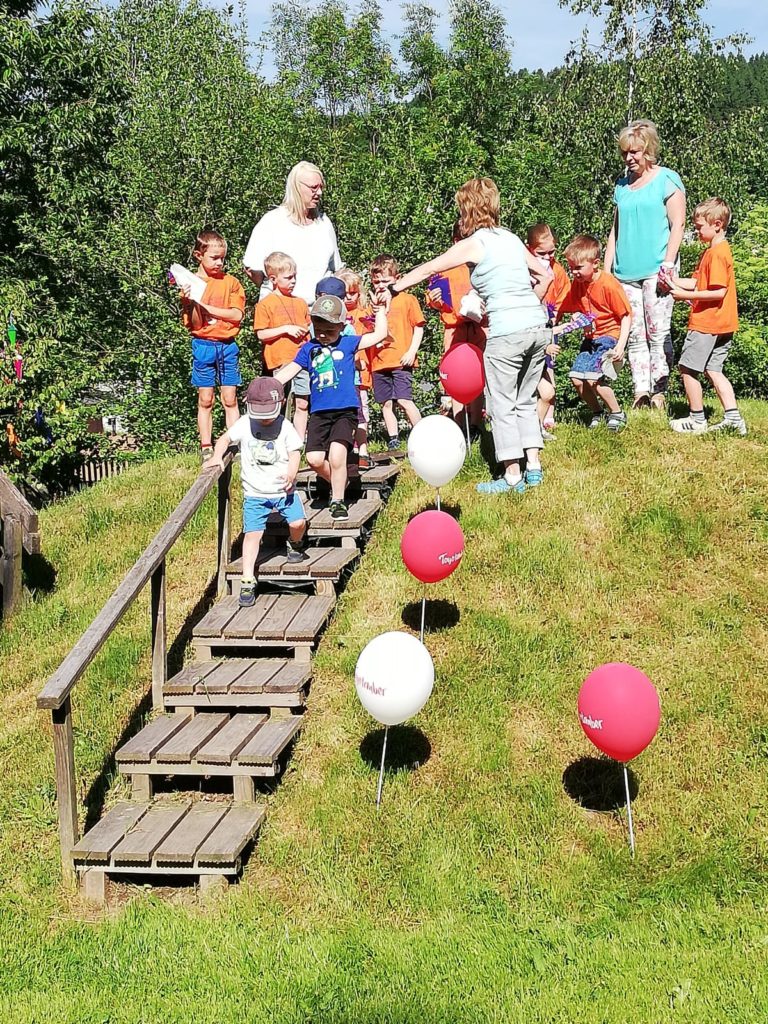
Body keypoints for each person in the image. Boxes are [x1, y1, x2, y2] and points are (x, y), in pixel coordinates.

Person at [389, 178, 550, 494]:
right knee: (525, 399)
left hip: (507, 332)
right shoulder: (511, 238)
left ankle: (512, 475)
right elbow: (544, 275)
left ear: (468, 211)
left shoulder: (474, 243)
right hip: (536, 327)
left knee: (503, 403)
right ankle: (534, 467)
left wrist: (395, 287)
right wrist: (528, 302)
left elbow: (427, 269)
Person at [275, 294, 388, 521]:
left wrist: (381, 312)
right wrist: (269, 386)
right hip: (319, 413)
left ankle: (337, 501)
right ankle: (340, 479)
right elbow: (290, 371)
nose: (324, 335)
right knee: (315, 459)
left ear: (341, 326)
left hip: (345, 411)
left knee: (337, 456)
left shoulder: (348, 343)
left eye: (330, 329)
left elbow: (380, 335)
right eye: (319, 329)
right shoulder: (309, 349)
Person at [204, 377, 307, 608]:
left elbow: (295, 453)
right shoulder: (244, 422)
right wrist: (216, 456)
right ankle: (247, 579)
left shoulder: (286, 427)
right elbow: (225, 438)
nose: (265, 419)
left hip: (284, 491)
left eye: (268, 413)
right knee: (252, 536)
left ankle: (295, 543)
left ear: (280, 403)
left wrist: (292, 474)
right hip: (255, 494)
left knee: (299, 523)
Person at [604, 119, 686, 410]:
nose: (629, 158)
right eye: (626, 153)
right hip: (625, 273)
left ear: (649, 150)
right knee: (635, 333)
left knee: (658, 331)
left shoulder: (667, 179)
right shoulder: (622, 185)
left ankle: (659, 391)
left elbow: (678, 224)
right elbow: (615, 230)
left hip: (657, 269)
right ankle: (640, 392)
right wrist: (606, 271)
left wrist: (668, 263)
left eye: (635, 152)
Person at [668, 198, 745, 435]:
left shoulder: (717, 254)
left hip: (707, 322)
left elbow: (718, 291)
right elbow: (699, 283)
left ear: (718, 224)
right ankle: (734, 419)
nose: (697, 230)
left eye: (700, 227)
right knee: (714, 369)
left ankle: (697, 419)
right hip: (724, 323)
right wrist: (670, 281)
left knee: (687, 369)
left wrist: (681, 296)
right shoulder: (714, 251)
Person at [177, 229, 245, 461]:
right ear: (199, 255)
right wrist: (192, 302)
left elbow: (236, 315)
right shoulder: (190, 284)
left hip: (227, 345)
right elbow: (195, 323)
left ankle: (234, 443)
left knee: (230, 398)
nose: (219, 262)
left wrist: (208, 309)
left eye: (222, 258)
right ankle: (206, 444)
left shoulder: (231, 283)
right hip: (203, 345)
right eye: (214, 258)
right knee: (205, 398)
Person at [557, 235, 632, 432]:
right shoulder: (578, 284)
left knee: (594, 378)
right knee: (576, 378)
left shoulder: (608, 284)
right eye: (571, 267)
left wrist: (620, 346)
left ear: (595, 263)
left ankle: (617, 413)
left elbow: (625, 316)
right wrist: (576, 316)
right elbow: (571, 307)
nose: (574, 272)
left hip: (609, 336)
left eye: (578, 267)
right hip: (591, 338)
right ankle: (598, 412)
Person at [243, 162, 342, 305]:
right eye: (314, 187)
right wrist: (276, 292)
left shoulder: (324, 223)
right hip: (280, 310)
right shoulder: (272, 221)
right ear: (296, 187)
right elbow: (252, 269)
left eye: (321, 187)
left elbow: (336, 269)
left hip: (319, 314)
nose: (319, 193)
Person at [425, 223, 488, 434]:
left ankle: (477, 423)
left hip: (481, 327)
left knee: (479, 375)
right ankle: (460, 422)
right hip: (455, 329)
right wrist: (434, 300)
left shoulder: (483, 265)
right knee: (456, 374)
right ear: (455, 242)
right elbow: (433, 298)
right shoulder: (447, 266)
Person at [369, 254, 425, 451]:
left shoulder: (407, 299)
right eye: (377, 281)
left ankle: (421, 435)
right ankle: (393, 439)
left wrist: (412, 351)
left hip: (402, 359)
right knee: (386, 403)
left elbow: (419, 327)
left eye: (386, 281)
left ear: (397, 279)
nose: (381, 285)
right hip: (379, 362)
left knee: (404, 400)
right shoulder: (372, 303)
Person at [253, 252, 311, 439]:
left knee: (302, 401)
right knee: (280, 400)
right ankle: (278, 438)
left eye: (295, 276)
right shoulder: (265, 304)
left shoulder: (300, 302)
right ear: (273, 279)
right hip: (280, 361)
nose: (293, 281)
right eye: (288, 277)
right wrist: (286, 329)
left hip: (302, 360)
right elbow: (261, 333)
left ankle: (299, 441)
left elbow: (308, 328)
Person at [526, 223, 570, 439]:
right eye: (541, 253)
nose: (547, 256)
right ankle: (531, 428)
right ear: (530, 249)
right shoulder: (523, 267)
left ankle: (541, 423)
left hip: (548, 324)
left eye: (551, 252)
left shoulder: (557, 269)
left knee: (548, 379)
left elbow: (564, 295)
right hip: (528, 329)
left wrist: (555, 318)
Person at [337, 267, 375, 470]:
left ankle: (364, 450)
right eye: (345, 294)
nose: (350, 297)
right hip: (339, 377)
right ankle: (346, 450)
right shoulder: (335, 320)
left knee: (362, 414)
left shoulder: (363, 313)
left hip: (358, 375)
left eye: (353, 293)